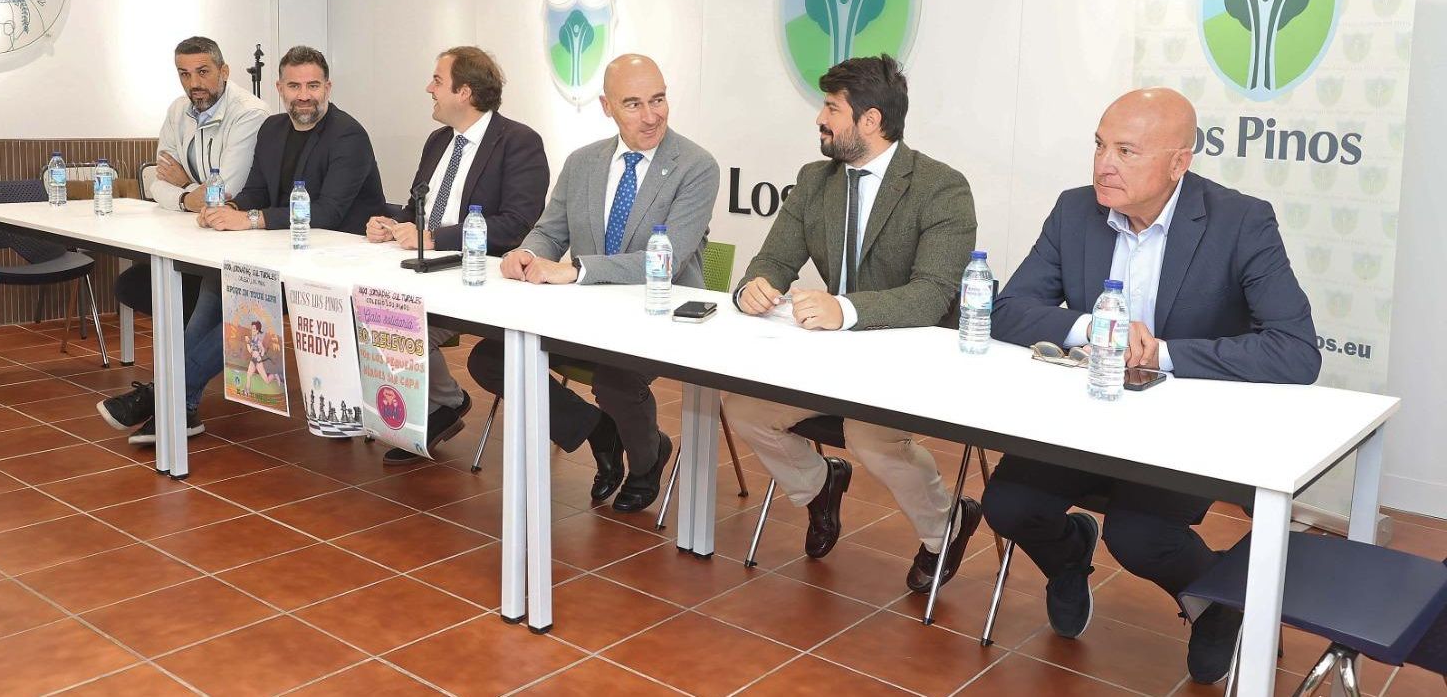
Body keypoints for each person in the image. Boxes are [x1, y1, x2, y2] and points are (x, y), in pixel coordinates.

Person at [982, 87, 1320, 685]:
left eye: (1126, 150)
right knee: (1009, 504)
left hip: (1182, 430)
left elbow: (1295, 351)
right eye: (1099, 144)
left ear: (1178, 163)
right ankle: (1068, 556)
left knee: (1139, 536)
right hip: (1089, 418)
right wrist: (1094, 327)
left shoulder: (1241, 222)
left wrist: (1162, 353)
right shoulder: (1074, 210)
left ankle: (1215, 603)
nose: (1103, 164)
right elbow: (1008, 309)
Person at [722, 54, 982, 592]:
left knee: (868, 437)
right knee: (742, 407)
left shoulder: (942, 188)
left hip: (904, 363)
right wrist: (753, 287)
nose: (821, 118)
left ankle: (946, 525)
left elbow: (933, 297)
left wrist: (848, 310)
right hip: (827, 362)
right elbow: (772, 261)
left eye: (832, 108)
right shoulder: (815, 181)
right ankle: (820, 486)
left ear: (870, 120)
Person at [465, 54, 718, 512]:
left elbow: (669, 260)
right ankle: (597, 430)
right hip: (582, 319)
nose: (651, 115)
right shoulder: (583, 162)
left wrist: (577, 270)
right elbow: (549, 231)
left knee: (615, 379)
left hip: (657, 318)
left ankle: (646, 460)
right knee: (490, 357)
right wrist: (527, 253)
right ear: (607, 107)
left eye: (658, 100)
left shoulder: (696, 166)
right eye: (634, 104)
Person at [97, 46, 387, 445]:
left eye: (314, 85)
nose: (305, 95)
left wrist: (247, 219)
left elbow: (328, 212)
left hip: (336, 264)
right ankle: (178, 407)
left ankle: (163, 397)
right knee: (217, 282)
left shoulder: (348, 135)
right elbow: (255, 190)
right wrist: (225, 209)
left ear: (328, 87)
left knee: (250, 302)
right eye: (295, 85)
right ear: (279, 87)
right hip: (283, 251)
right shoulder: (272, 130)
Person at [365, 46, 550, 464]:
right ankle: (442, 405)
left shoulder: (519, 143)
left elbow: (516, 225)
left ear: (464, 92)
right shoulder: (437, 141)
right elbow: (420, 209)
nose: (428, 89)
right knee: (370, 313)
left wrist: (433, 238)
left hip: (481, 279)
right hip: (421, 271)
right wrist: (390, 223)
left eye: (437, 80)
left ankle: (443, 405)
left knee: (397, 326)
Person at [98, 36, 266, 433]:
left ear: (224, 72)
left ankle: (164, 398)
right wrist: (196, 196)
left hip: (247, 241)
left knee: (222, 310)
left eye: (204, 72)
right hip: (203, 235)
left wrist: (187, 187)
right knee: (198, 307)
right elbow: (155, 181)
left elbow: (228, 190)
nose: (195, 83)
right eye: (185, 74)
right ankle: (180, 406)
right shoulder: (179, 110)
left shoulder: (250, 113)